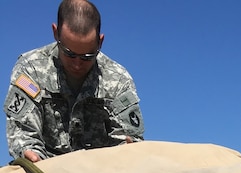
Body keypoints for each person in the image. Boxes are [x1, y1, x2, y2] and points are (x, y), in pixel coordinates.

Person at [4, 0, 144, 162]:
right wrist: (33, 158)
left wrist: (127, 150)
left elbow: (129, 141)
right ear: (55, 33)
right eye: (69, 53)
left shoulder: (118, 80)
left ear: (100, 42)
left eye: (87, 57)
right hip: (45, 170)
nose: (77, 64)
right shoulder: (31, 69)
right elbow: (24, 134)